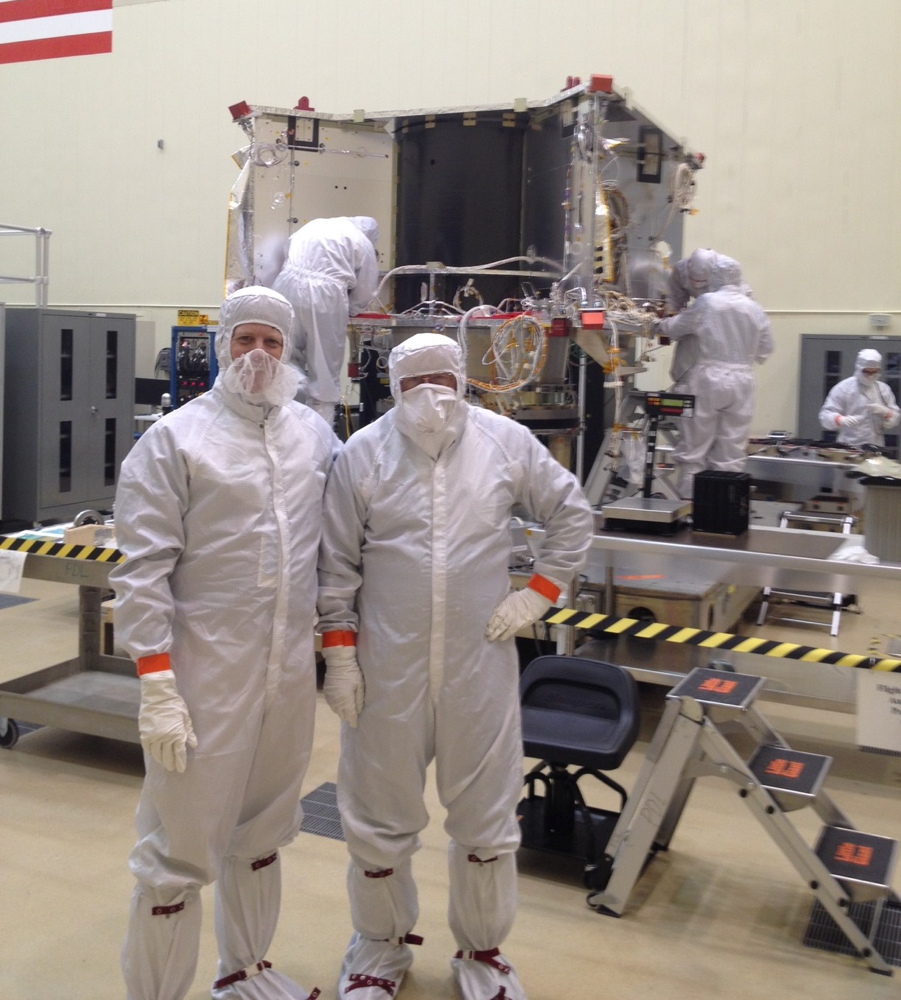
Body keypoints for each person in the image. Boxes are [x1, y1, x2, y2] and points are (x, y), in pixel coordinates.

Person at [317, 332, 594, 1000]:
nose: (431, 394)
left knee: (486, 819)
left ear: (464, 379)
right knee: (378, 817)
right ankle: (377, 948)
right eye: (415, 382)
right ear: (393, 385)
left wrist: (539, 595)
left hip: (480, 668)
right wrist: (341, 659)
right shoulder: (362, 455)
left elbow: (570, 515)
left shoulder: (505, 443)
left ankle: (483, 953)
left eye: (443, 378)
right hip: (387, 671)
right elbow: (336, 569)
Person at [110, 286, 338, 1000]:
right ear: (221, 348)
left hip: (287, 675)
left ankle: (243, 971)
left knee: (264, 829)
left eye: (272, 342)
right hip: (202, 676)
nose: (259, 356)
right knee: (177, 849)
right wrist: (155, 682)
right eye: (246, 341)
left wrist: (343, 650)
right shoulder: (175, 440)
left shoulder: (314, 437)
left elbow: (337, 552)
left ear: (288, 350)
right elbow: (142, 570)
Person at [655, 255, 773, 497]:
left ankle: (690, 506)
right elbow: (766, 349)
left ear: (713, 277)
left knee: (694, 448)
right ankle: (722, 509)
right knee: (731, 449)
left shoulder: (708, 302)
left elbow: (676, 328)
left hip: (707, 379)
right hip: (743, 382)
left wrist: (655, 324)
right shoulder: (754, 307)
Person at [272, 216, 380, 424]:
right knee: (323, 373)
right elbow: (365, 290)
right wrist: (353, 309)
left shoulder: (314, 224)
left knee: (285, 356)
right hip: (326, 296)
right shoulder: (362, 242)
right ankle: (317, 437)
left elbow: (288, 250)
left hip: (285, 285)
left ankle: (285, 421)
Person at [818, 348, 901, 449]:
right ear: (858, 368)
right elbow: (825, 416)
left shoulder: (883, 389)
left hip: (876, 447)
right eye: (866, 372)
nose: (870, 376)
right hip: (848, 447)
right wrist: (840, 419)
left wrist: (886, 412)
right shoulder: (844, 388)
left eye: (874, 372)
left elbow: (896, 417)